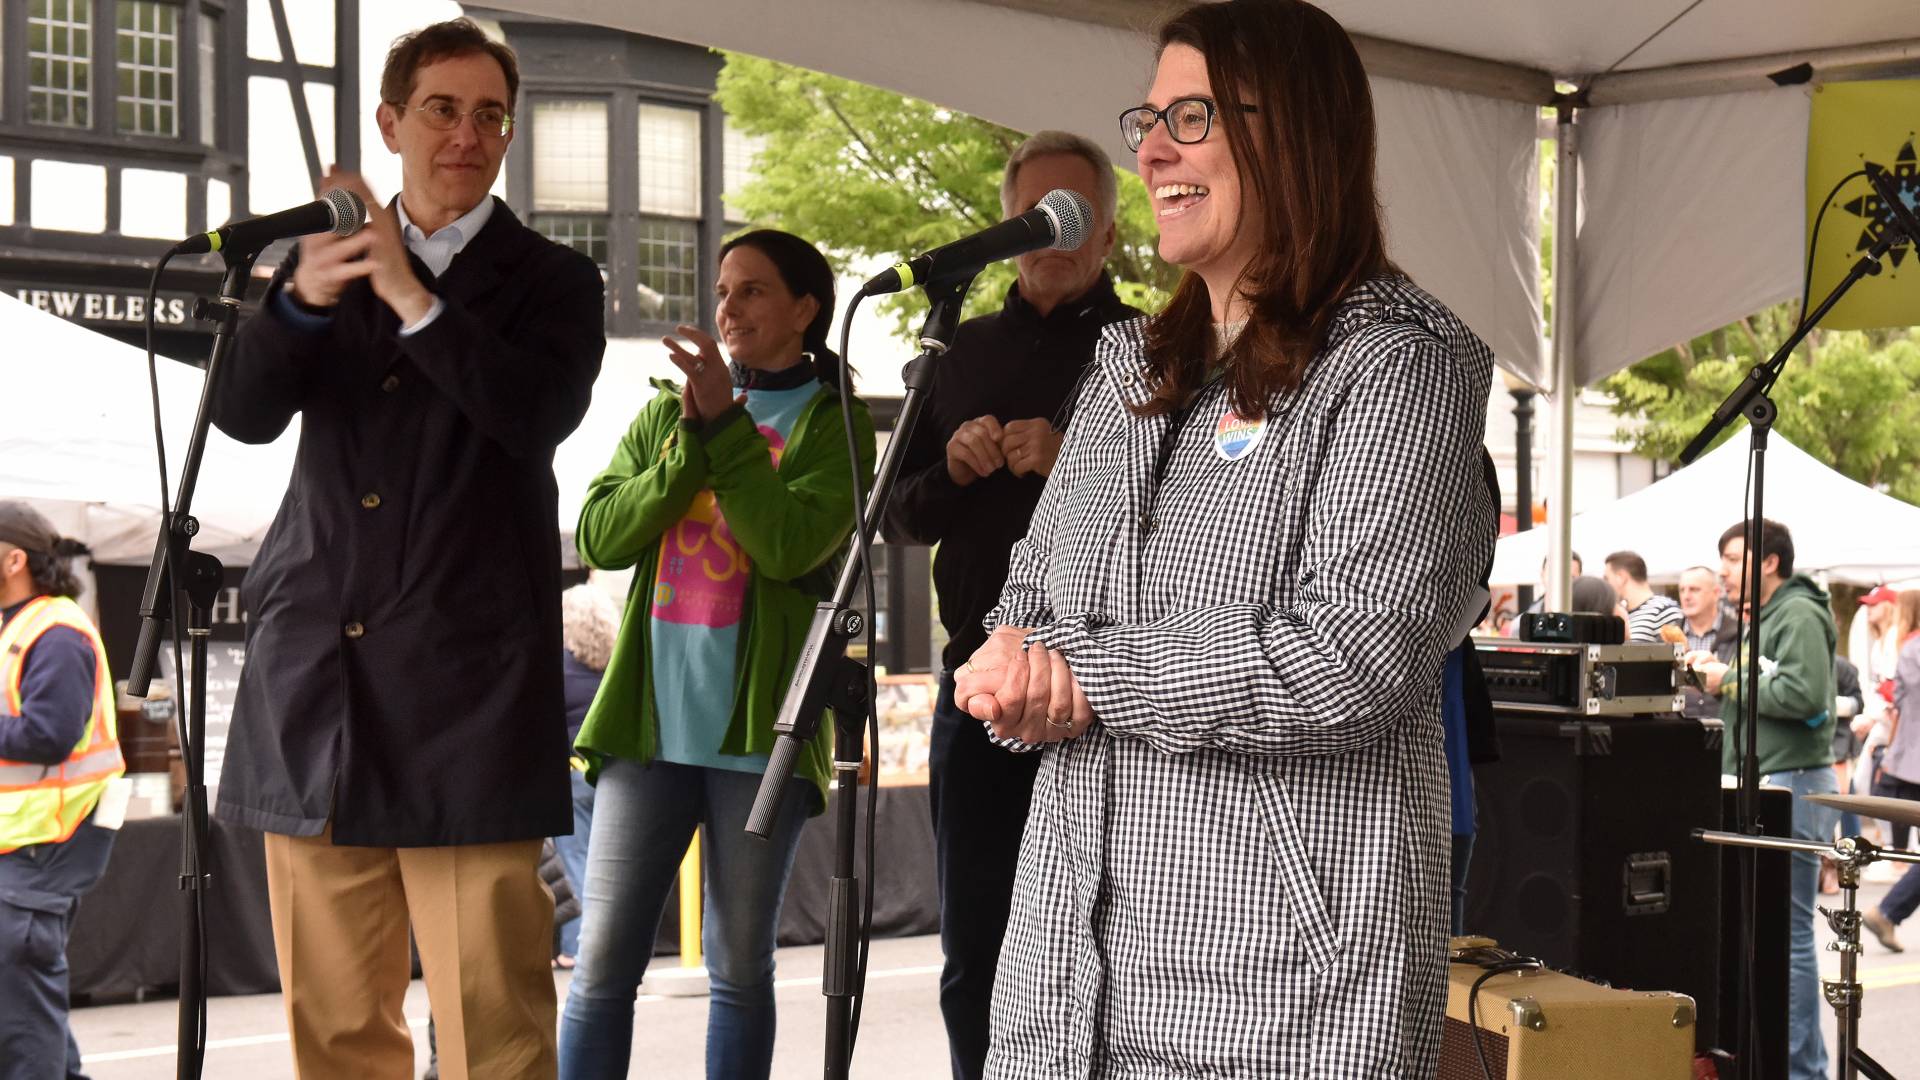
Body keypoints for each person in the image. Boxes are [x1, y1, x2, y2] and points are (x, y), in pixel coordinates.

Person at [953, 2, 1496, 1072]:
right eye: (1148, 118)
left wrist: (1088, 676)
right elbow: (1030, 601)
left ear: (1292, 131)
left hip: (1278, 1003)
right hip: (1069, 988)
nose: (1149, 150)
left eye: (1189, 118)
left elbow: (1353, 661)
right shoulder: (1124, 376)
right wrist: (1006, 666)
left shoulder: (1397, 371)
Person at [208, 19, 605, 1078]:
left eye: (489, 116)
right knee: (334, 1033)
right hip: (318, 687)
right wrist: (296, 302)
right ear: (391, 122)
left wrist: (412, 296)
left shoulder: (555, 281)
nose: (466, 135)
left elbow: (532, 414)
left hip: (468, 698)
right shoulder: (321, 261)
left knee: (496, 1031)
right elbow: (240, 416)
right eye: (441, 109)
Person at [560, 229, 875, 1080]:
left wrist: (726, 425)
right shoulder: (668, 410)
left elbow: (786, 544)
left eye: (753, 292)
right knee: (600, 970)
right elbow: (601, 534)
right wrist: (690, 441)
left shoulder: (833, 426)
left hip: (760, 740)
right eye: (723, 290)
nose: (727, 308)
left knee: (739, 971)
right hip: (647, 732)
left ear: (806, 310)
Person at [883, 129, 1138, 1080]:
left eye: (1073, 216)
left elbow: (1193, 525)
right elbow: (896, 514)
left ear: (1109, 235)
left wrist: (1075, 457)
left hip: (1109, 696)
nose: (1052, 235)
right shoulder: (956, 352)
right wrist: (947, 470)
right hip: (977, 685)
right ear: (1004, 227)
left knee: (1118, 952)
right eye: (1034, 216)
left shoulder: (1154, 350)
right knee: (976, 947)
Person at [1690, 518, 1837, 1080]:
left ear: (1768, 561)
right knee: (1769, 939)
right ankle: (1791, 1065)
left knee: (1790, 939)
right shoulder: (1772, 616)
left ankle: (1801, 1071)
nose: (1724, 571)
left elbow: (1805, 693)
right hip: (1771, 783)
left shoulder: (1797, 613)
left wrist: (1726, 680)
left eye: (1731, 559)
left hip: (1792, 783)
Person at [0, 505, 122, 1080]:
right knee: (22, 1003)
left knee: (20, 1007)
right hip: (25, 843)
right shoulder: (16, 629)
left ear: (14, 559)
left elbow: (48, 734)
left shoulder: (56, 632)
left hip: (50, 842)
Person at [553, 582, 621, 967]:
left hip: (573, 775)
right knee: (609, 864)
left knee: (575, 862)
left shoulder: (559, 666)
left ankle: (576, 948)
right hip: (612, 772)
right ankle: (609, 944)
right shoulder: (614, 665)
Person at [1863, 589, 1920, 952]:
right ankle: (1888, 911)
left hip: (1907, 759)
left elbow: (1898, 706)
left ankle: (1888, 912)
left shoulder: (1908, 648)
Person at [1678, 564, 1738, 718]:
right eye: (1682, 590)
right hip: (1678, 733)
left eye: (1694, 589)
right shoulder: (1668, 638)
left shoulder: (1739, 634)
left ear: (1716, 593)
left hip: (1726, 731)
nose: (1686, 596)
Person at [1603, 550, 1682, 643]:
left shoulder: (1664, 610)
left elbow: (1678, 654)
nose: (1605, 585)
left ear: (1621, 577)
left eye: (1607, 579)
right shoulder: (1621, 614)